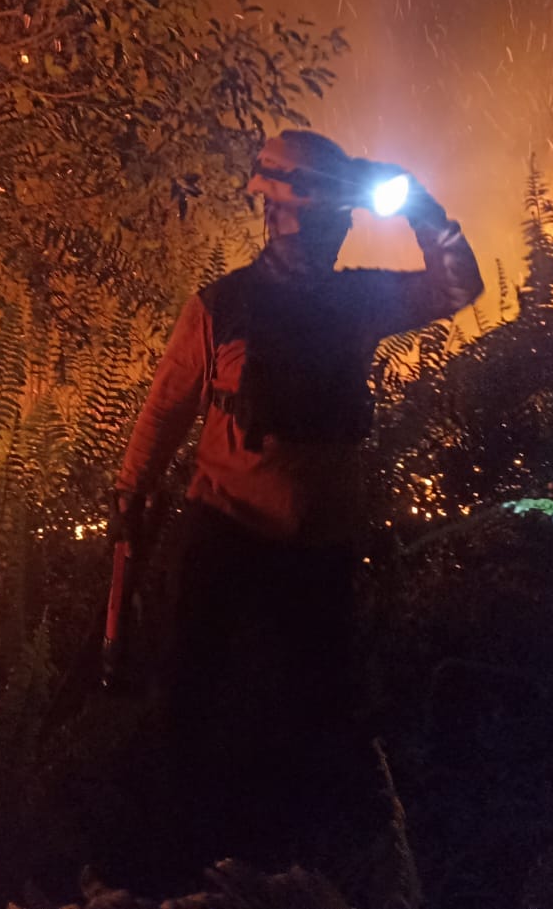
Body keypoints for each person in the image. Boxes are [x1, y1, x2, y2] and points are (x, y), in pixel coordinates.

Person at [112, 128, 483, 867]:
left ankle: (289, 867)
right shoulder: (221, 306)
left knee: (311, 720)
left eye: (335, 218)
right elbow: (165, 410)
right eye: (312, 217)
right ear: (273, 215)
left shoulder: (359, 300)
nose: (325, 232)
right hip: (223, 534)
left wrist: (422, 204)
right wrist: (129, 498)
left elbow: (456, 287)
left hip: (318, 553)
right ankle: (168, 859)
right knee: (192, 705)